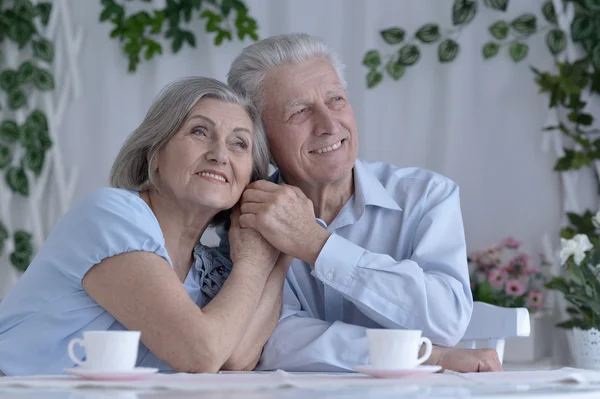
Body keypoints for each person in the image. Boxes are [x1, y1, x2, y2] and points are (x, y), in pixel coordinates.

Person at [224, 33, 503, 372]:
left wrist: (316, 245)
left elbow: (446, 320)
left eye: (336, 100)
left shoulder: (427, 196)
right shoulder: (252, 214)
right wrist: (427, 355)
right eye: (299, 112)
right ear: (260, 138)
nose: (329, 125)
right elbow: (270, 342)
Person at [0, 77, 290, 376]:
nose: (220, 154)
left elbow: (236, 358)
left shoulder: (209, 270)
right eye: (199, 131)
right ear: (155, 153)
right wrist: (255, 262)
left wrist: (278, 253)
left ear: (249, 179)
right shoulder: (110, 216)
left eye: (239, 143)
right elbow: (201, 354)